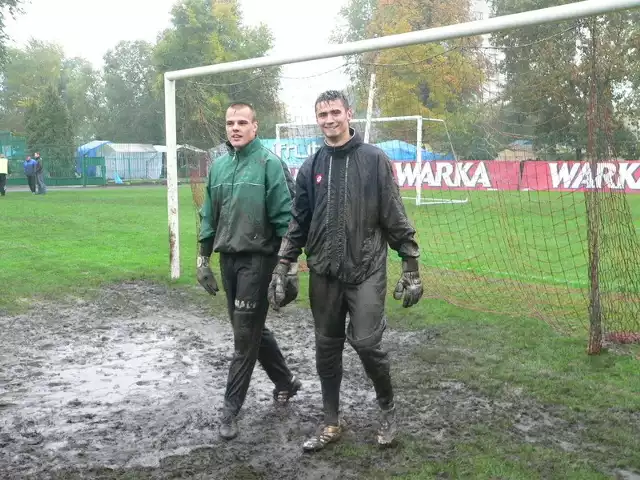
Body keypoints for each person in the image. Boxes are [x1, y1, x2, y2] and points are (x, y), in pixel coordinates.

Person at [268, 90, 424, 452]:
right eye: (322, 114)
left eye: (335, 112)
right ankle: (331, 421)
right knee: (326, 348)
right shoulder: (311, 165)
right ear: (317, 119)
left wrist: (410, 264)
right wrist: (283, 265)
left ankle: (387, 408)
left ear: (348, 114)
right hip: (323, 271)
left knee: (367, 342)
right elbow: (298, 221)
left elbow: (394, 214)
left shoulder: (373, 159)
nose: (329, 119)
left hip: (366, 267)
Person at [197, 101, 302, 441]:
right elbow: (208, 217)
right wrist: (203, 261)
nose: (235, 128)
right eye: (230, 122)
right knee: (250, 329)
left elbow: (287, 220)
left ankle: (230, 411)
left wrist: (288, 269)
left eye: (242, 122)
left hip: (258, 262)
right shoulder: (219, 167)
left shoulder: (269, 165)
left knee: (243, 339)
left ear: (256, 127)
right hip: (228, 262)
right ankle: (285, 380)